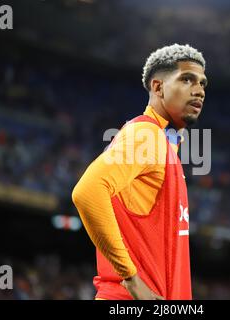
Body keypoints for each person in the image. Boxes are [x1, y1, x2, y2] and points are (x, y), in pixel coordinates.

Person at [72, 44, 207, 300]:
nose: (199, 90)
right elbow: (87, 192)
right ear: (158, 87)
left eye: (202, 83)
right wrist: (131, 278)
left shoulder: (164, 145)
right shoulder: (146, 135)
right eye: (187, 79)